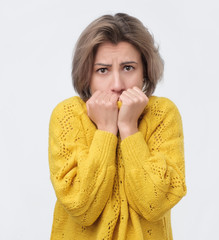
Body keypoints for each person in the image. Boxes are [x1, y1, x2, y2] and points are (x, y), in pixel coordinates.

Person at [48, 13, 186, 240]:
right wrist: (105, 131)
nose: (117, 85)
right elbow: (80, 206)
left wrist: (130, 128)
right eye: (102, 70)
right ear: (87, 76)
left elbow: (154, 203)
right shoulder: (68, 115)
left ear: (145, 71)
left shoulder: (162, 114)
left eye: (128, 68)